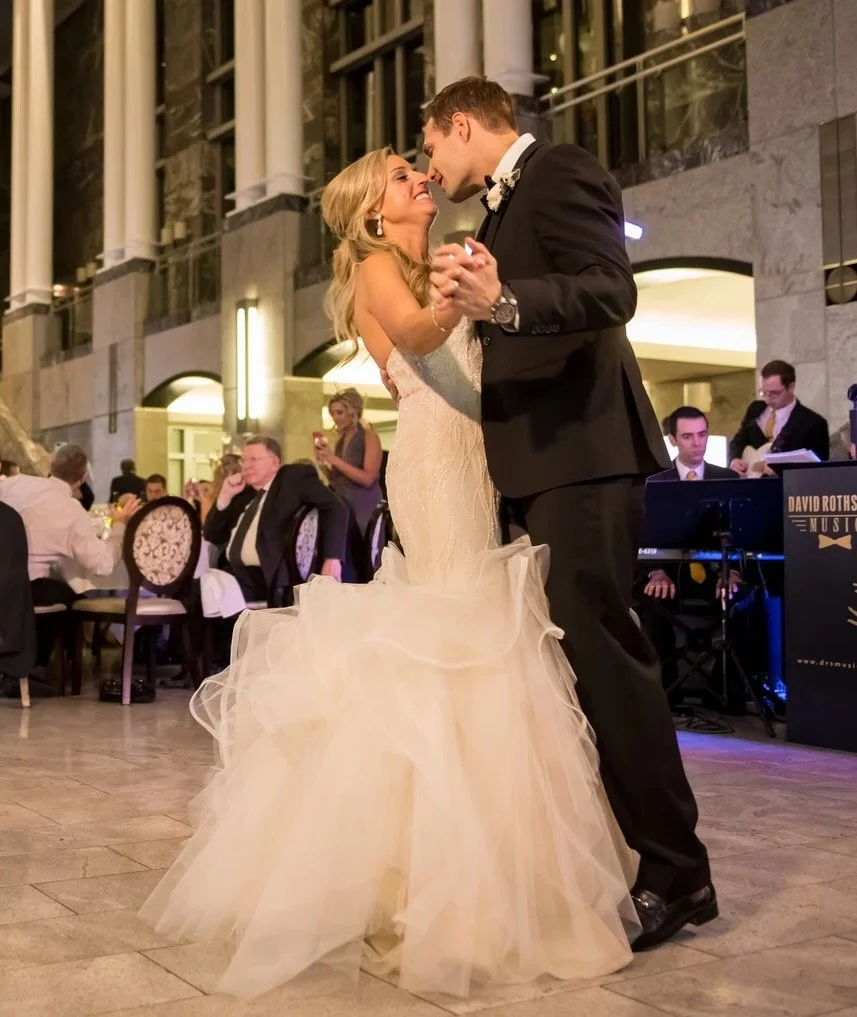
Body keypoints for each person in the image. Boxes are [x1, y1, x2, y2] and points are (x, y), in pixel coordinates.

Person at [142, 147, 638, 998]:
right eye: (401, 174)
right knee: (455, 636)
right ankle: (435, 884)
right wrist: (458, 296)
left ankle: (478, 865)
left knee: (478, 636)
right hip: (437, 467)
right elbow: (411, 337)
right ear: (374, 213)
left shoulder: (426, 257)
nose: (418, 176)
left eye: (417, 165)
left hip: (475, 457)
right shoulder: (379, 267)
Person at [423, 77, 713, 948]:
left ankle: (677, 872)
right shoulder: (500, 210)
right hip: (545, 465)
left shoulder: (560, 170)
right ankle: (646, 859)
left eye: (432, 148)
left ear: (463, 124)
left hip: (586, 459)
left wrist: (500, 304)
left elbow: (608, 291)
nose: (430, 168)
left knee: (609, 663)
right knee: (585, 672)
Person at [0, 444, 138, 694]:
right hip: (22, 588)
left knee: (53, 588)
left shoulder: (13, 484)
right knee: (70, 595)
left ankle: (27, 666)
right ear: (83, 478)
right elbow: (103, 564)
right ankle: (33, 669)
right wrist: (119, 526)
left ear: (50, 467)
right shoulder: (72, 511)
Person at [202, 435, 348, 603]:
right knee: (196, 589)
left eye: (253, 460)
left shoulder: (292, 478)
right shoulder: (244, 492)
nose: (246, 466)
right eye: (243, 460)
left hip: (265, 576)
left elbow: (336, 507)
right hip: (231, 572)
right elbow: (212, 536)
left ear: (274, 463)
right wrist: (225, 496)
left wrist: (332, 559)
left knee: (202, 593)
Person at [729, 359, 829, 475]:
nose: (767, 398)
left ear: (791, 387)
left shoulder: (814, 423)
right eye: (763, 392)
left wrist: (779, 472)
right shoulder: (755, 409)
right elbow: (738, 441)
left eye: (774, 393)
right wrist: (734, 459)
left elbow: (819, 471)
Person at [315, 388, 383, 536]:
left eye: (339, 412)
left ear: (353, 412)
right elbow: (338, 481)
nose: (335, 417)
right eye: (332, 413)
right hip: (341, 504)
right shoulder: (340, 441)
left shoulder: (370, 437)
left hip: (363, 506)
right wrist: (323, 466)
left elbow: (368, 479)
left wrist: (333, 459)